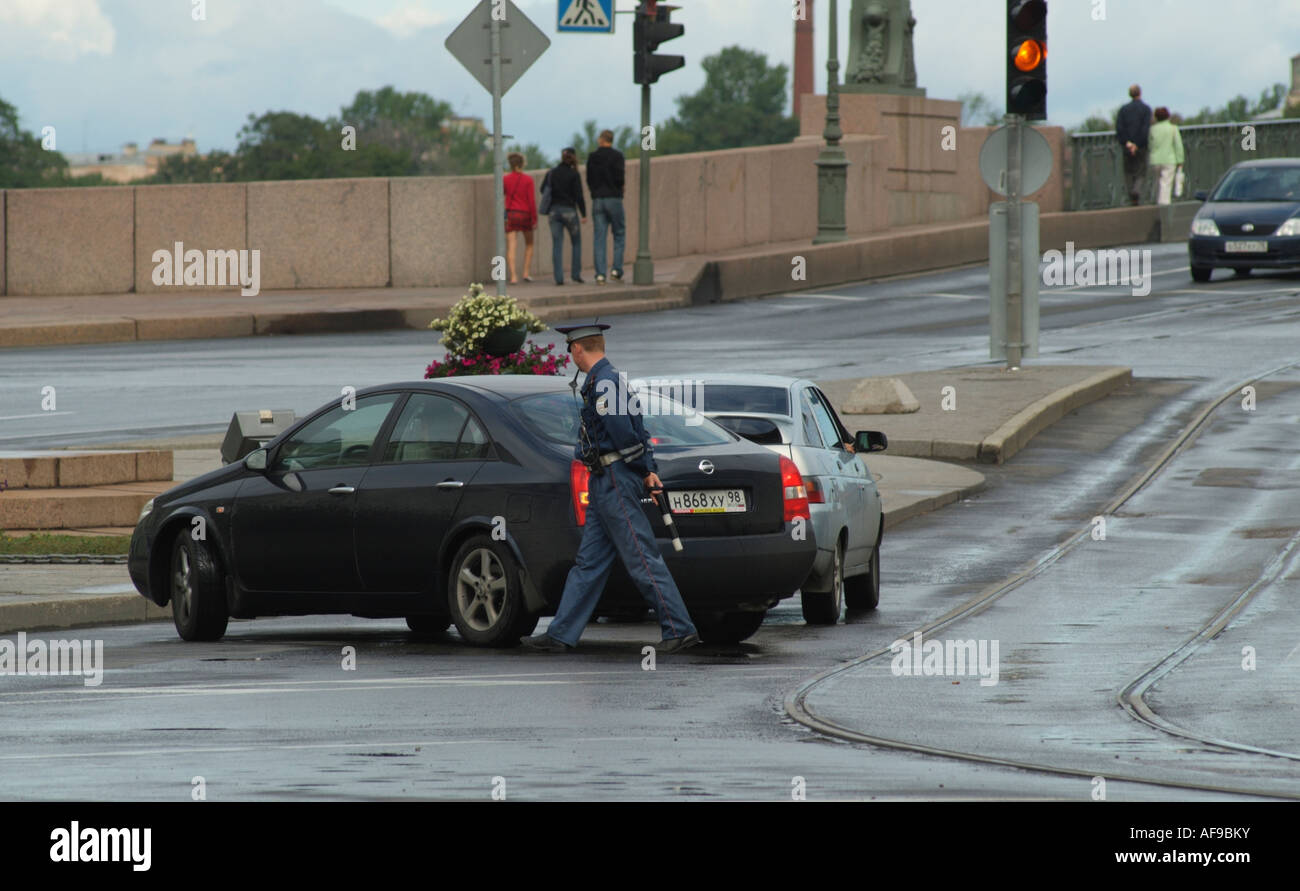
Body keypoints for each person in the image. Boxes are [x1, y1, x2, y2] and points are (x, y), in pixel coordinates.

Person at [522, 321, 700, 655]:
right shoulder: (608, 380)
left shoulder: (604, 383)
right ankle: (561, 634)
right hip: (606, 481)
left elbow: (626, 434)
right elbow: (639, 427)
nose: (570, 355)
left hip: (615, 480)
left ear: (577, 348)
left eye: (570, 349)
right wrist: (647, 469)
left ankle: (679, 628)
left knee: (641, 558)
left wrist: (644, 468)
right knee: (589, 563)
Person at [586, 129, 626, 285]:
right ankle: (616, 270)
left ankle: (600, 274)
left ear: (601, 140)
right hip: (614, 198)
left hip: (598, 199)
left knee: (599, 238)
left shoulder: (592, 157)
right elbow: (620, 177)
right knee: (619, 234)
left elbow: (589, 179)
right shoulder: (617, 156)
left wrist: (595, 191)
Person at [543, 147, 586, 285]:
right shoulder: (574, 174)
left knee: (557, 244)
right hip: (569, 211)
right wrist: (583, 214)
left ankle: (559, 278)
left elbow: (542, 189)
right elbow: (579, 196)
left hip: (554, 212)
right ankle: (575, 274)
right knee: (576, 243)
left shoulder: (552, 172)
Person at [503, 152, 537, 284]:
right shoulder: (528, 180)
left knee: (512, 245)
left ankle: (513, 276)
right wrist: (534, 219)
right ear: (522, 164)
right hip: (525, 214)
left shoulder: (505, 179)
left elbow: (503, 194)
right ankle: (526, 273)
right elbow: (531, 201)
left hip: (511, 214)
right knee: (529, 243)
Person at [1116, 84, 1153, 206]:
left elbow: (1120, 128)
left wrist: (1128, 143)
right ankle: (1136, 190)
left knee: (1128, 171)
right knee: (1141, 171)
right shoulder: (1146, 109)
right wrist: (1137, 144)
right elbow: (1145, 128)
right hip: (1141, 146)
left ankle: (1131, 194)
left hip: (1127, 146)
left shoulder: (1123, 109)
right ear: (1140, 93)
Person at [1147, 107, 1185, 206]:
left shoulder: (1152, 129)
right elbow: (1178, 145)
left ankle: (1156, 202)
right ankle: (1164, 205)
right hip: (1169, 159)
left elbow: (1150, 145)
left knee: (1157, 182)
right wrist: (1180, 160)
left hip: (1155, 160)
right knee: (1166, 183)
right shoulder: (1173, 128)